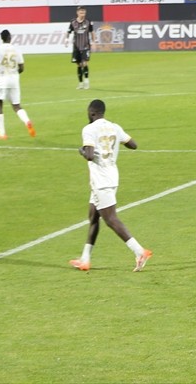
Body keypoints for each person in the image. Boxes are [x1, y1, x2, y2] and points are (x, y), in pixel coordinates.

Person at [69, 99, 153, 273]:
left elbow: (89, 155)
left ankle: (139, 251)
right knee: (93, 217)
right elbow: (133, 145)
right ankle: (85, 259)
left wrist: (81, 151)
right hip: (111, 177)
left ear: (92, 112)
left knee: (110, 219)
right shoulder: (115, 127)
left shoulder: (89, 129)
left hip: (101, 181)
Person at [0, 29, 35, 140]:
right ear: (10, 38)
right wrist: (13, 73)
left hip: (1, 78)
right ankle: (27, 121)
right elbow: (21, 68)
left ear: (1, 39)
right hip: (14, 79)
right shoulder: (17, 50)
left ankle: (2, 134)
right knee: (16, 105)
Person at [66, 6, 94, 90]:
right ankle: (80, 83)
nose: (83, 14)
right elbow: (68, 31)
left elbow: (92, 32)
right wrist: (66, 39)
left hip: (85, 46)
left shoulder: (88, 22)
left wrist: (94, 42)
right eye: (81, 12)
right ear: (77, 13)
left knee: (85, 63)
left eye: (84, 12)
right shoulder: (73, 22)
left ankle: (86, 81)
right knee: (79, 65)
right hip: (76, 46)